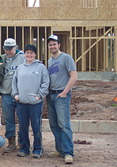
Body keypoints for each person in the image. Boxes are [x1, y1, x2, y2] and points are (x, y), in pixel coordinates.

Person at [12, 44, 49, 158]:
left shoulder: (41, 67)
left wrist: (40, 96)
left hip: (35, 104)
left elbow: (45, 83)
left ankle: (38, 149)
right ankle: (24, 148)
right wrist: (16, 95)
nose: (29, 55)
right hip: (22, 103)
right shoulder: (20, 67)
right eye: (27, 53)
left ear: (35, 54)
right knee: (23, 127)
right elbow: (14, 82)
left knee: (36, 126)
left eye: (31, 53)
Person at [46, 35, 77, 164]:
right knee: (54, 124)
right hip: (51, 95)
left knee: (64, 125)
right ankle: (60, 149)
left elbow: (74, 76)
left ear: (59, 45)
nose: (52, 46)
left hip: (61, 96)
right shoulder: (49, 61)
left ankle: (68, 153)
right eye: (50, 45)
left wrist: (65, 92)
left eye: (54, 44)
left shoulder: (66, 58)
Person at [0, 38, 25, 153]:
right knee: (8, 120)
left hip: (21, 94)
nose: (8, 51)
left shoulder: (23, 57)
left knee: (22, 119)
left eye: (10, 49)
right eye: (6, 49)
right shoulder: (2, 59)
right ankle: (11, 143)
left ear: (15, 47)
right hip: (6, 94)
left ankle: (22, 142)